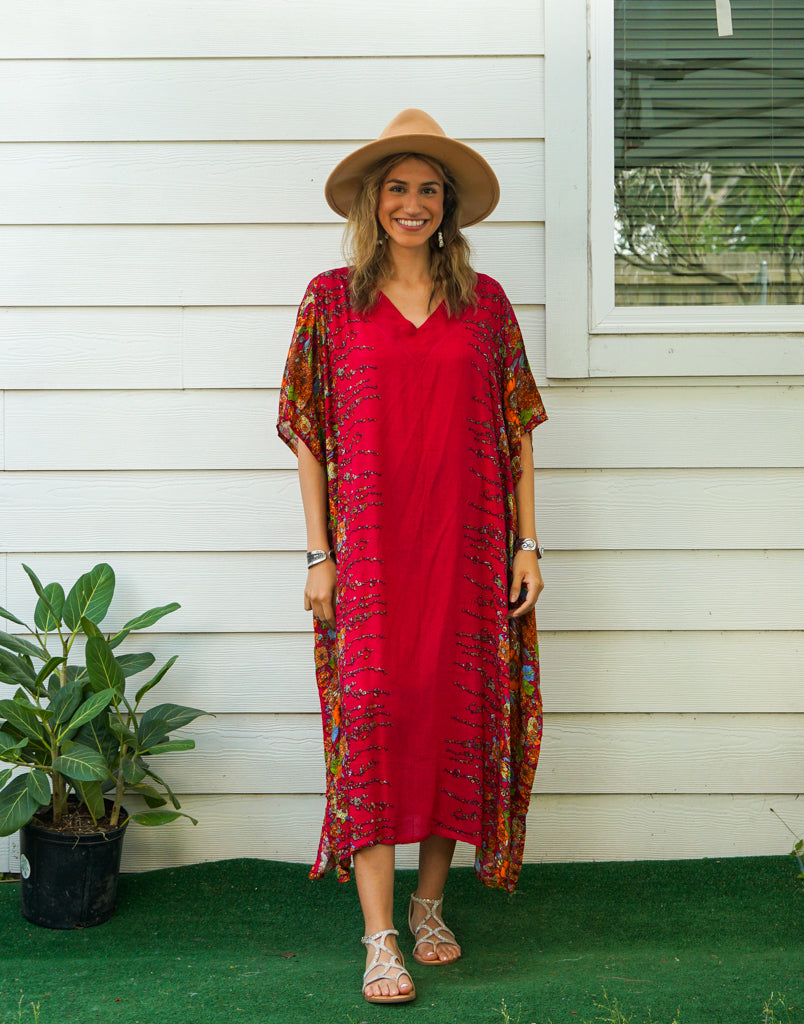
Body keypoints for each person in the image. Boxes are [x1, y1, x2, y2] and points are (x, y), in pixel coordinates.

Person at [277, 109, 547, 1005]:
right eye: (398, 187)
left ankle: (432, 905)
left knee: (450, 722)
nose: (413, 203)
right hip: (371, 559)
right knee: (373, 728)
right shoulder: (328, 301)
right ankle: (379, 935)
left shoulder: (487, 304)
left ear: (450, 207)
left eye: (430, 190)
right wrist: (319, 554)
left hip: (468, 553)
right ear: (370, 200)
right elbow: (309, 434)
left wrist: (527, 544)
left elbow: (517, 436)